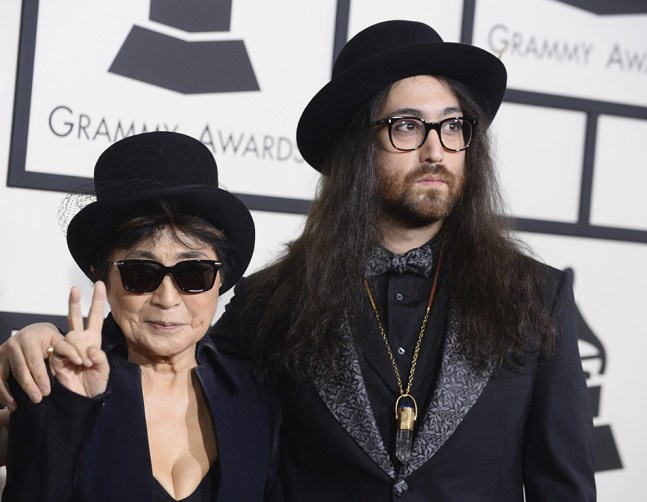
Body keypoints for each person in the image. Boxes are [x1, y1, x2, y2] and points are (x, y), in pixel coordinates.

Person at [0, 20, 594, 501]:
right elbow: (163, 342)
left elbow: (563, 487)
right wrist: (37, 349)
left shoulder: (537, 296)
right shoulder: (271, 301)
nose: (436, 147)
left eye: (453, 126)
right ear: (355, 146)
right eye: (408, 126)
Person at [0, 131, 279, 501]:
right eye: (141, 274)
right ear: (102, 277)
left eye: (193, 273)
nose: (167, 298)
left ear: (220, 278)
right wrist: (71, 411)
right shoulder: (54, 388)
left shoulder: (260, 395)